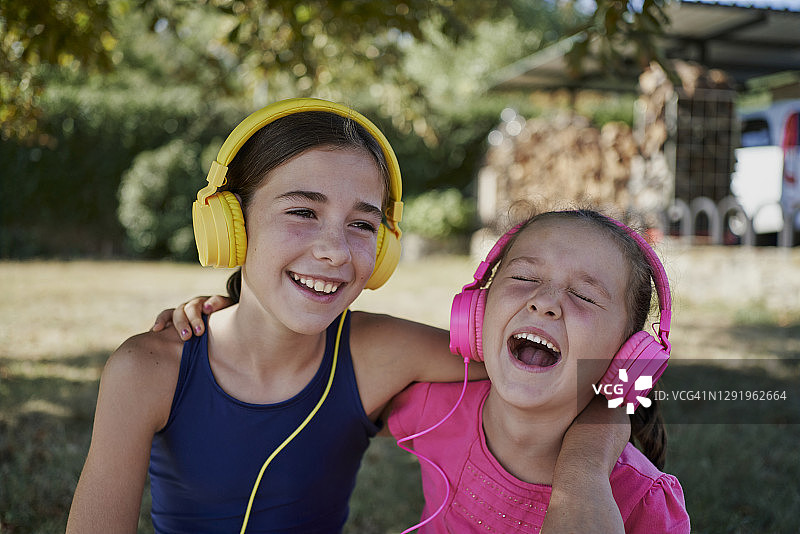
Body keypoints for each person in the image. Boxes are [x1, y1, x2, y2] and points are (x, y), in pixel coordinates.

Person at [67, 98, 628, 533]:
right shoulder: (148, 370)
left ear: (382, 249)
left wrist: (586, 467)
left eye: (362, 224)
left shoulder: (377, 354)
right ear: (231, 225)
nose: (334, 250)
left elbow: (581, 370)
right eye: (302, 211)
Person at [387, 209, 690, 532]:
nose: (544, 301)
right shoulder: (433, 408)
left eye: (584, 296)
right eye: (524, 278)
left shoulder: (644, 500)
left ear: (626, 359)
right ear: (478, 310)